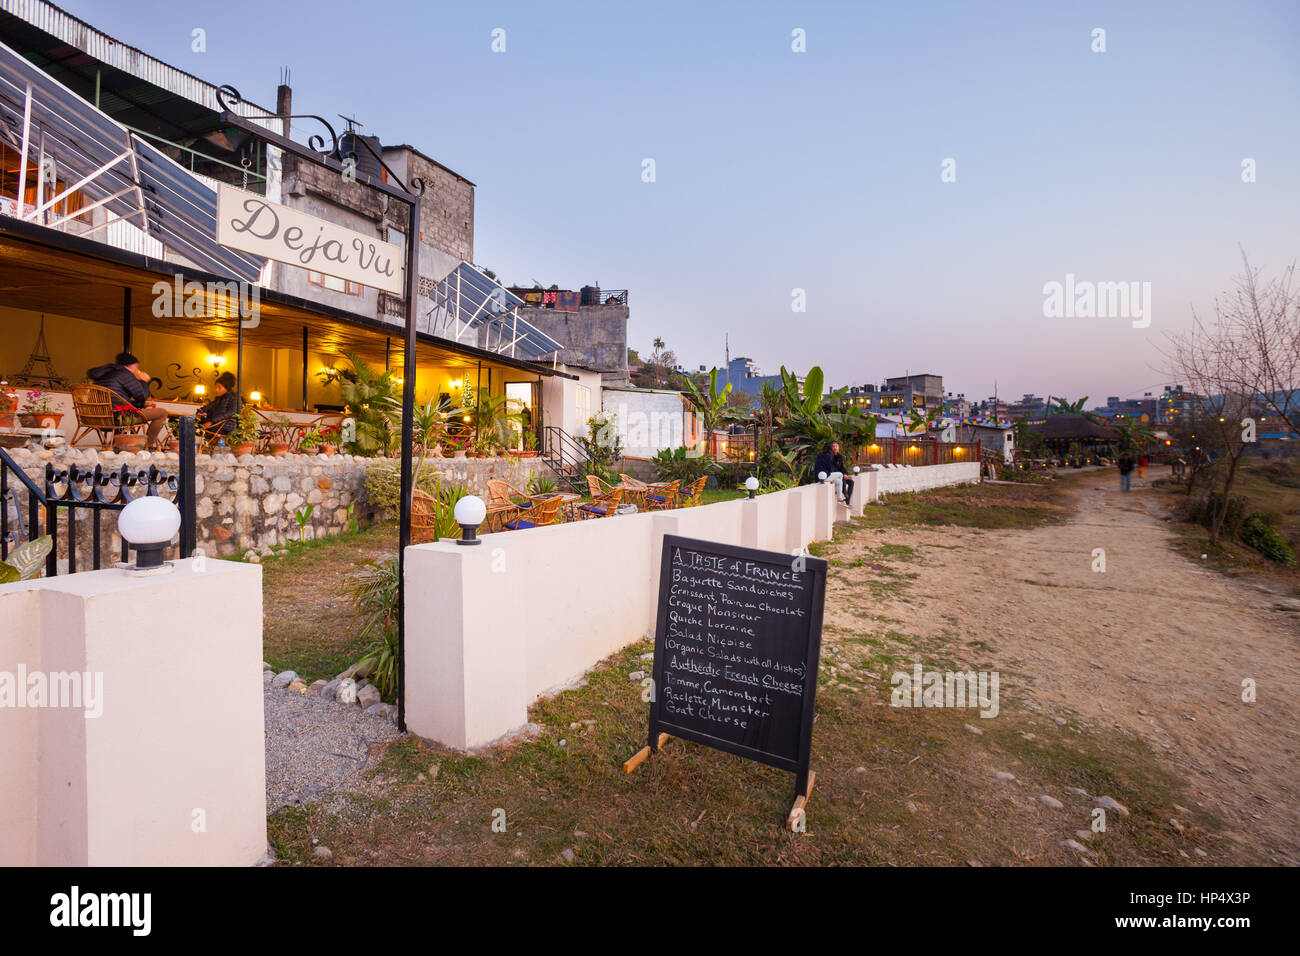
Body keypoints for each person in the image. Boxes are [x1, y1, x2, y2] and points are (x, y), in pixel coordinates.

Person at [87, 351, 168, 447]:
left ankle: (116, 444)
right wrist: (143, 381)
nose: (136, 370)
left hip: (99, 418)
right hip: (118, 418)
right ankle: (147, 445)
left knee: (121, 412)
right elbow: (142, 395)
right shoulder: (125, 374)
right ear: (130, 365)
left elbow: (118, 400)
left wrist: (142, 404)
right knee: (162, 413)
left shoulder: (105, 376)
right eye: (136, 367)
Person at [813, 440, 855, 506]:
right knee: (840, 475)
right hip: (825, 477)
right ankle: (841, 497)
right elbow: (831, 469)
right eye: (833, 447)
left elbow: (841, 467)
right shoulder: (828, 456)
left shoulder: (820, 455)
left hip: (819, 477)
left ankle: (841, 499)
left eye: (836, 446)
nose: (834, 448)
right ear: (830, 449)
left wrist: (845, 474)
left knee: (839, 481)